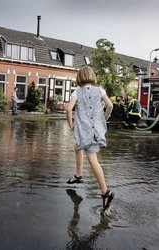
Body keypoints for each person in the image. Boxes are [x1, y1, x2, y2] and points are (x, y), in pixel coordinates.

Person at [66, 66, 114, 212]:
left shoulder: (76, 92)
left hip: (85, 132)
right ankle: (78, 174)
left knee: (93, 160)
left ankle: (106, 192)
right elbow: (110, 105)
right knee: (77, 147)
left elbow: (69, 109)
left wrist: (71, 124)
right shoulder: (100, 90)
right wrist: (104, 118)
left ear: (79, 78)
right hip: (95, 131)